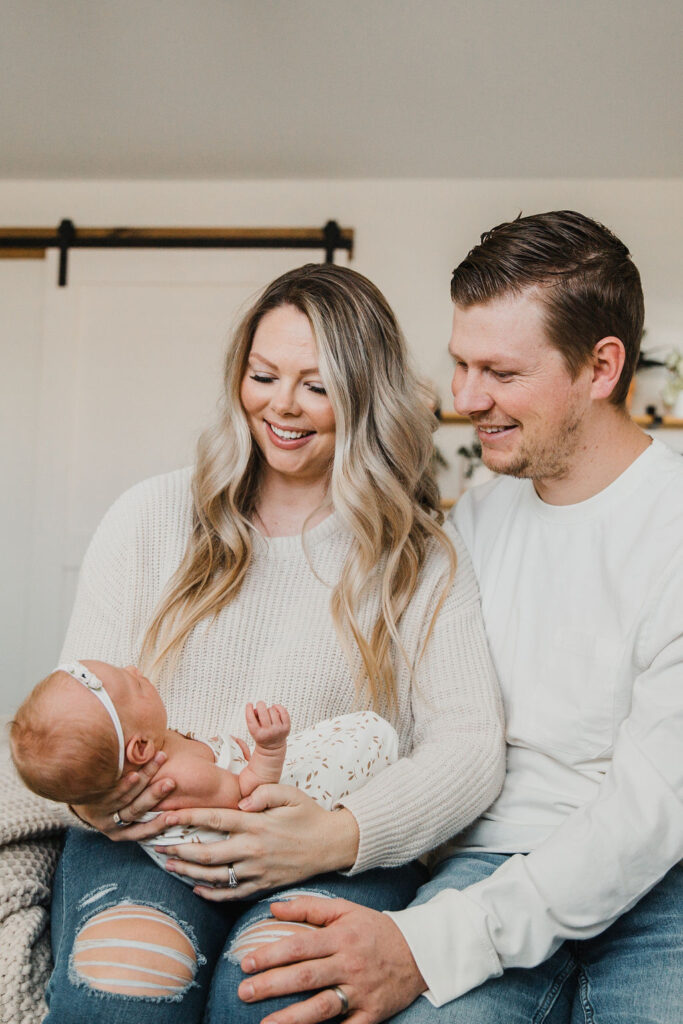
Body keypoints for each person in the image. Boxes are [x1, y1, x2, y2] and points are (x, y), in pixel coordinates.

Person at [235, 212, 683, 1024]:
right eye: (460, 365)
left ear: (601, 367)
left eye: (501, 373)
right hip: (482, 863)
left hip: (662, 884)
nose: (466, 398)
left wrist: (429, 945)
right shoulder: (471, 524)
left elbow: (647, 817)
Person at [43, 263, 505, 1022]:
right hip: (150, 844)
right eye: (264, 375)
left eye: (316, 386)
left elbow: (469, 747)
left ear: (364, 398)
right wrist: (114, 805)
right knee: (126, 985)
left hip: (325, 854)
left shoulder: (417, 558)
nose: (281, 406)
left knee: (268, 998)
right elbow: (82, 706)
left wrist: (334, 836)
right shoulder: (149, 517)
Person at [10, 659, 399, 881]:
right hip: (256, 841)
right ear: (140, 749)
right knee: (360, 738)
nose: (135, 668)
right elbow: (253, 796)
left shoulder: (139, 762)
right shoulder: (181, 778)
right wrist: (270, 746)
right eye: (136, 685)